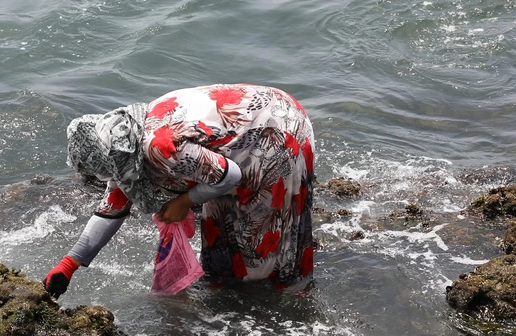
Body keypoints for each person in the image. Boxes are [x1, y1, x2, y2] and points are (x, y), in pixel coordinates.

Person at [43, 84, 315, 299]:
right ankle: (232, 290)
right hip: (243, 132)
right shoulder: (123, 141)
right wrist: (68, 266)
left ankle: (284, 301)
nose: (107, 179)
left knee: (260, 239)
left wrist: (185, 202)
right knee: (220, 232)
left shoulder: (160, 148)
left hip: (277, 130)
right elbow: (112, 208)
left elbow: (230, 175)